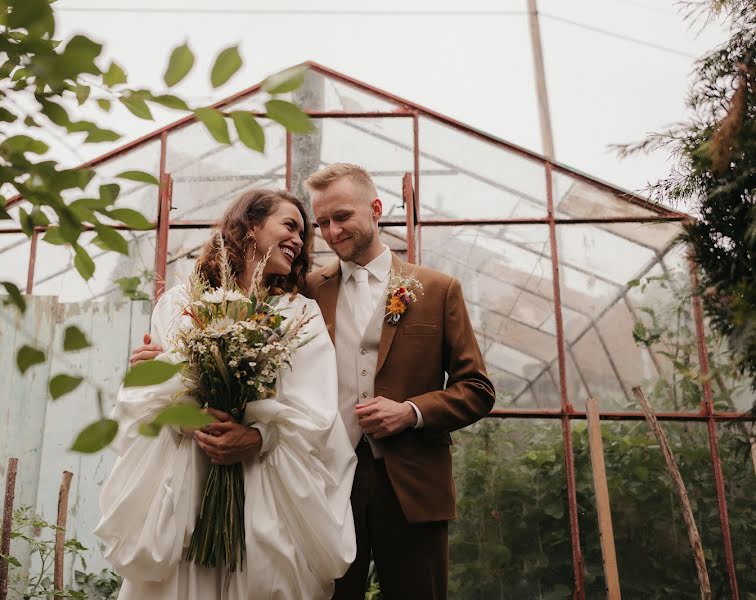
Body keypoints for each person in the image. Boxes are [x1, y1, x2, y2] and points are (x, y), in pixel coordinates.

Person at [94, 189, 356, 599]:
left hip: (266, 481)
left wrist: (256, 437)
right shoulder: (180, 303)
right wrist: (154, 376)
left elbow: (316, 411)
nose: (299, 240)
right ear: (250, 226)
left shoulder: (300, 314)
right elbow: (152, 401)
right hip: (188, 474)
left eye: (304, 234)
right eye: (289, 225)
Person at [304, 163, 496, 600]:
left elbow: (477, 390)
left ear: (376, 209)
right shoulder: (309, 290)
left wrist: (410, 412)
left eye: (342, 217)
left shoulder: (438, 289)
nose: (332, 232)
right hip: (329, 481)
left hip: (413, 484)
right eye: (322, 223)